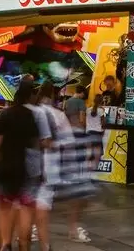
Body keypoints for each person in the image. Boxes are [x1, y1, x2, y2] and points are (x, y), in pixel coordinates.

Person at [0, 77, 46, 251]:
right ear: (31, 96)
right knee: (25, 207)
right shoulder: (32, 116)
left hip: (6, 166)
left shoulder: (6, 114)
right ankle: (23, 242)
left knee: (5, 206)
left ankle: (6, 243)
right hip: (26, 167)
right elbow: (38, 143)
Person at [32, 81, 92, 248]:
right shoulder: (57, 115)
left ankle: (33, 230)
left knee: (31, 198)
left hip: (29, 164)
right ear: (53, 95)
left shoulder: (30, 113)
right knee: (73, 195)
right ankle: (71, 230)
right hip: (51, 166)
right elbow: (68, 143)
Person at [86, 95, 106, 160]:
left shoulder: (88, 110)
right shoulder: (101, 110)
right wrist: (103, 131)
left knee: (90, 153)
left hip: (89, 132)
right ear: (101, 101)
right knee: (97, 154)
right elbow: (103, 123)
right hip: (97, 132)